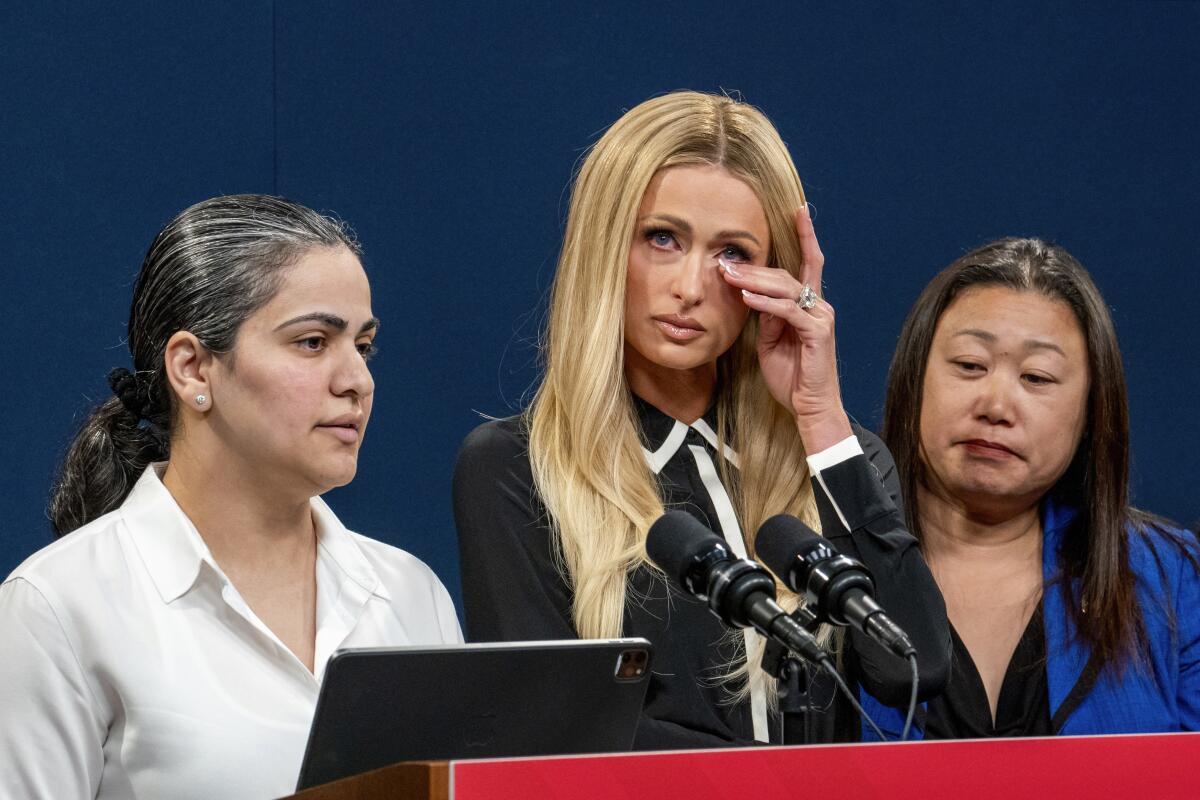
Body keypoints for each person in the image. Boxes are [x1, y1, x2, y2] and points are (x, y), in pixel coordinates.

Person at [453, 91, 950, 748]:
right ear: (604, 248)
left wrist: (821, 416)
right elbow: (552, 743)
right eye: (662, 238)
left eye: (732, 254)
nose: (690, 287)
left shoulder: (839, 456)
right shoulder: (512, 468)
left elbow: (911, 667)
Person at [0, 195, 462, 799]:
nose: (358, 381)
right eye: (313, 342)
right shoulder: (58, 608)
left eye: (364, 346)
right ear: (193, 369)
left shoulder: (411, 593)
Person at [872, 237, 1200, 738]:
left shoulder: (1173, 580)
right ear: (913, 378)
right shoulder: (828, 565)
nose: (996, 405)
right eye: (969, 365)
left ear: (1092, 413)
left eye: (1038, 377)